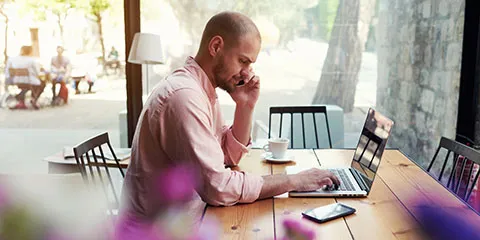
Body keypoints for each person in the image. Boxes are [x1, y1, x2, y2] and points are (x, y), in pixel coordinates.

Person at [120, 11, 340, 224]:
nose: (247, 72)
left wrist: (244, 106)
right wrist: (293, 180)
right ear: (216, 46)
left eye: (250, 64)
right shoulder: (184, 97)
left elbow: (226, 155)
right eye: (243, 61)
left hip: (190, 220)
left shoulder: (200, 89)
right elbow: (218, 187)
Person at [4, 46, 44, 110]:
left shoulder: (13, 59)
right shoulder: (32, 60)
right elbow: (37, 72)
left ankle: (21, 101)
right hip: (29, 81)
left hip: (16, 80)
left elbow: (8, 70)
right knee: (42, 83)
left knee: (27, 86)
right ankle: (33, 99)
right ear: (30, 52)